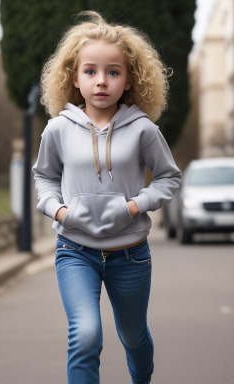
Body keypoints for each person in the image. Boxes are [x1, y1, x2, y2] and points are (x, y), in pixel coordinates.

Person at [32, 10, 181, 384]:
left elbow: (168, 177)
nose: (102, 81)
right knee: (85, 335)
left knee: (133, 336)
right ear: (74, 77)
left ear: (129, 80)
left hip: (130, 254)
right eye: (91, 71)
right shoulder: (58, 130)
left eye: (113, 72)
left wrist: (133, 205)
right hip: (75, 250)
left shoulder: (143, 130)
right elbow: (44, 178)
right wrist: (61, 212)